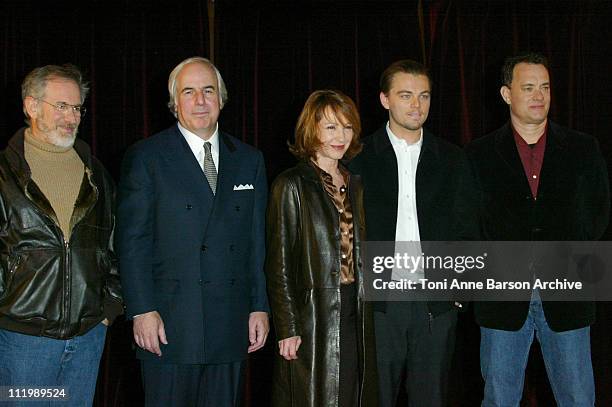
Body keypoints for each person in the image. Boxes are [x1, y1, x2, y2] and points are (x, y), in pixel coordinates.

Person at [117, 56, 269, 407]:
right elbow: (132, 242)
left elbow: (256, 243)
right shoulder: (146, 157)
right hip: (169, 323)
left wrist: (259, 306)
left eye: (208, 90)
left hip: (230, 321)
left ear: (221, 98)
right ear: (174, 103)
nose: (200, 101)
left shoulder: (249, 159)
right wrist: (141, 309)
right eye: (189, 92)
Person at [466, 52, 610, 407]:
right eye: (528, 87)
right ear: (505, 94)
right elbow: (468, 221)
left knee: (578, 397)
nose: (538, 96)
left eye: (544, 87)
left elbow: (598, 213)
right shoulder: (477, 154)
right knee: (499, 398)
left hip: (567, 294)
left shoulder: (583, 147)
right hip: (502, 296)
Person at [349, 60, 478, 406]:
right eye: (405, 95)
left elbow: (467, 227)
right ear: (384, 99)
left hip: (434, 303)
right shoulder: (357, 158)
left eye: (423, 96)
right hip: (378, 305)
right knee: (375, 398)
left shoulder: (452, 158)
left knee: (432, 399)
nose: (416, 105)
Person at [0, 64, 123, 406]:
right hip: (24, 341)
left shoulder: (96, 173)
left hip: (87, 337)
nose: (72, 117)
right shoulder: (4, 173)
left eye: (77, 108)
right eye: (61, 106)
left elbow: (115, 244)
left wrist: (108, 309)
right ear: (31, 106)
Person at [265, 90, 378, 407]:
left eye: (347, 127)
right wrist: (287, 327)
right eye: (331, 127)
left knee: (352, 396)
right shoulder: (290, 184)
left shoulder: (355, 183)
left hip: (356, 308)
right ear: (311, 129)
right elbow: (279, 264)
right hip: (312, 314)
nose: (341, 136)